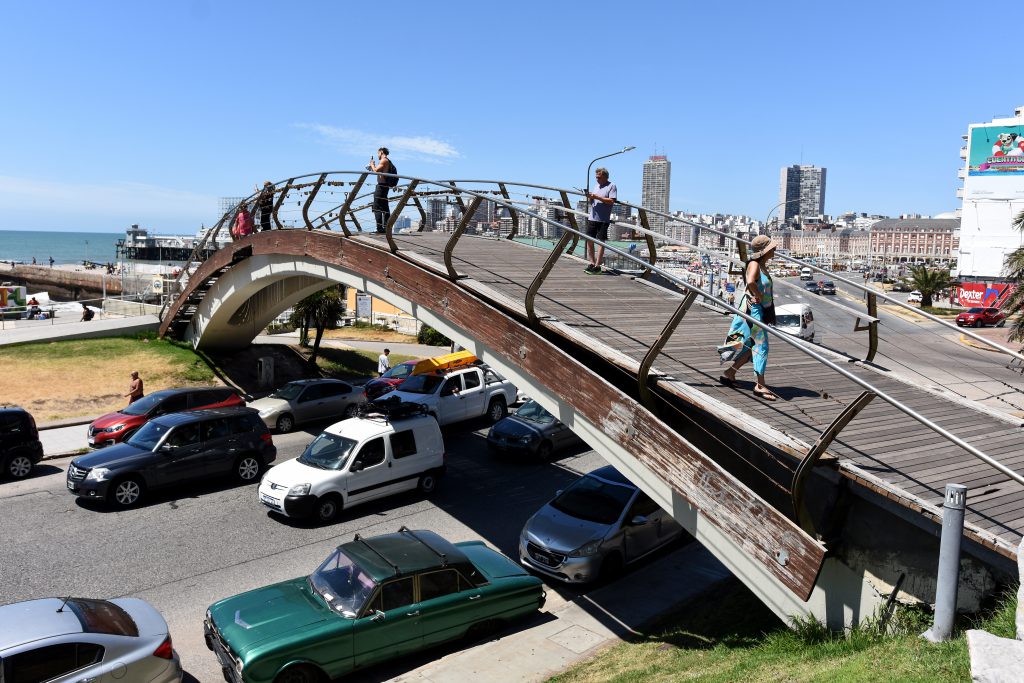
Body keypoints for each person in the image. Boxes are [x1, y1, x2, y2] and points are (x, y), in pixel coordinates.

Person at [718, 235, 779, 401]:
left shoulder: (762, 265)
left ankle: (729, 373)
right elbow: (751, 282)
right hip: (754, 312)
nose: (775, 250)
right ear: (764, 251)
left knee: (751, 346)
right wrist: (758, 295)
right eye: (772, 248)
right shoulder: (754, 264)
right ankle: (760, 385)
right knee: (762, 346)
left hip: (760, 311)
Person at [584, 167, 617, 274]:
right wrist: (590, 197)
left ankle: (598, 266)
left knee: (600, 242)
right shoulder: (596, 186)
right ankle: (592, 263)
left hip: (603, 219)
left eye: (599, 177)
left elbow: (611, 201)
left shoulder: (611, 186)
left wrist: (597, 197)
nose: (597, 179)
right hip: (592, 218)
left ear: (604, 176)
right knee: (589, 241)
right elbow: (592, 201)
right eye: (596, 177)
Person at [369, 147, 395, 233]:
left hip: (381, 187)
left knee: (377, 207)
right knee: (385, 207)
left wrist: (372, 164)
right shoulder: (387, 161)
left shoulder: (384, 160)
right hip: (384, 186)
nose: (377, 155)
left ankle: (380, 229)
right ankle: (386, 228)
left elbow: (376, 170)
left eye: (378, 153)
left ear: (381, 152)